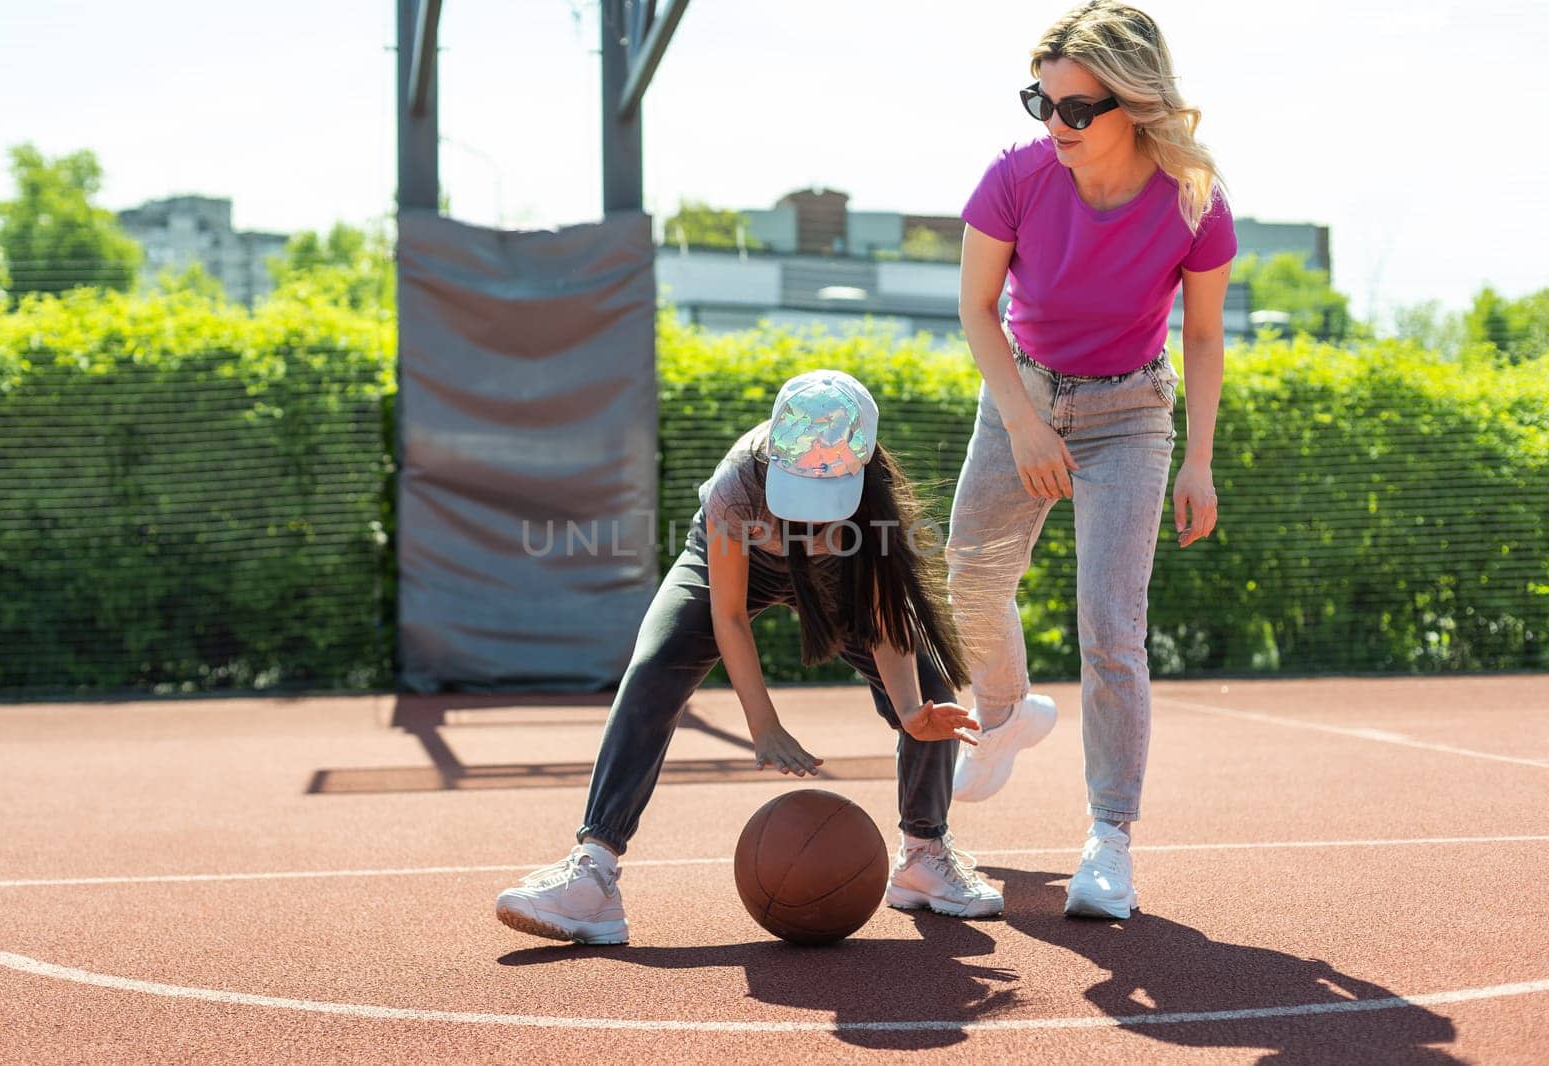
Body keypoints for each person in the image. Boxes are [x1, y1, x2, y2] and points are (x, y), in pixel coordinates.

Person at [496, 369, 1004, 945]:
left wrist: (912, 709)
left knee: (933, 695)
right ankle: (593, 873)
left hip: (836, 572)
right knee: (653, 668)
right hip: (742, 564)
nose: (810, 515)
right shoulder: (737, 485)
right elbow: (730, 616)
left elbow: (887, 622)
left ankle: (924, 854)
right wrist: (762, 723)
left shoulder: (873, 501)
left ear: (859, 467)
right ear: (775, 460)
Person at [945, 0, 1237, 920]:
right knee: (968, 577)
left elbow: (1201, 333)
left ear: (1135, 104)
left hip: (1132, 413)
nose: (1057, 124)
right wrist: (1027, 426)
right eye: (1045, 103)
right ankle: (1003, 714)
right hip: (1021, 398)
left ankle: (1110, 840)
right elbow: (976, 311)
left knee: (1112, 629)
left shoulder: (1196, 200)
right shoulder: (1016, 179)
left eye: (1079, 109)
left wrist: (1200, 460)